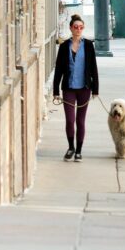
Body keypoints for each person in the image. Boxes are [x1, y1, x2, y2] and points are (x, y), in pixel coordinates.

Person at [52, 15, 99, 162]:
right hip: (69, 89)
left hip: (84, 88)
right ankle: (71, 147)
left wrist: (96, 89)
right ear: (71, 28)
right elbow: (58, 69)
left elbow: (93, 68)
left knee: (80, 121)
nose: (78, 29)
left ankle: (79, 151)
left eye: (81, 27)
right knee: (70, 120)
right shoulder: (64, 46)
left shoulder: (89, 46)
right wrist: (55, 91)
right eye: (76, 27)